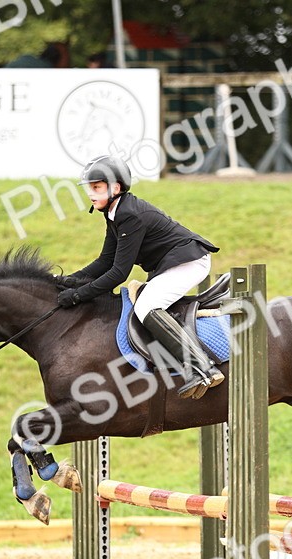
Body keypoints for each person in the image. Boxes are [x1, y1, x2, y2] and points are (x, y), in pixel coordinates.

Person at [57, 155, 223, 400]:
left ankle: (202, 367)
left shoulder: (129, 215)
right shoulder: (115, 213)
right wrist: (68, 281)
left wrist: (77, 295)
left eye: (96, 187)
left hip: (189, 262)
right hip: (173, 263)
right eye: (89, 188)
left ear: (115, 188)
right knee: (145, 303)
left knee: (147, 306)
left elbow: (118, 274)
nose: (91, 194)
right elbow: (104, 261)